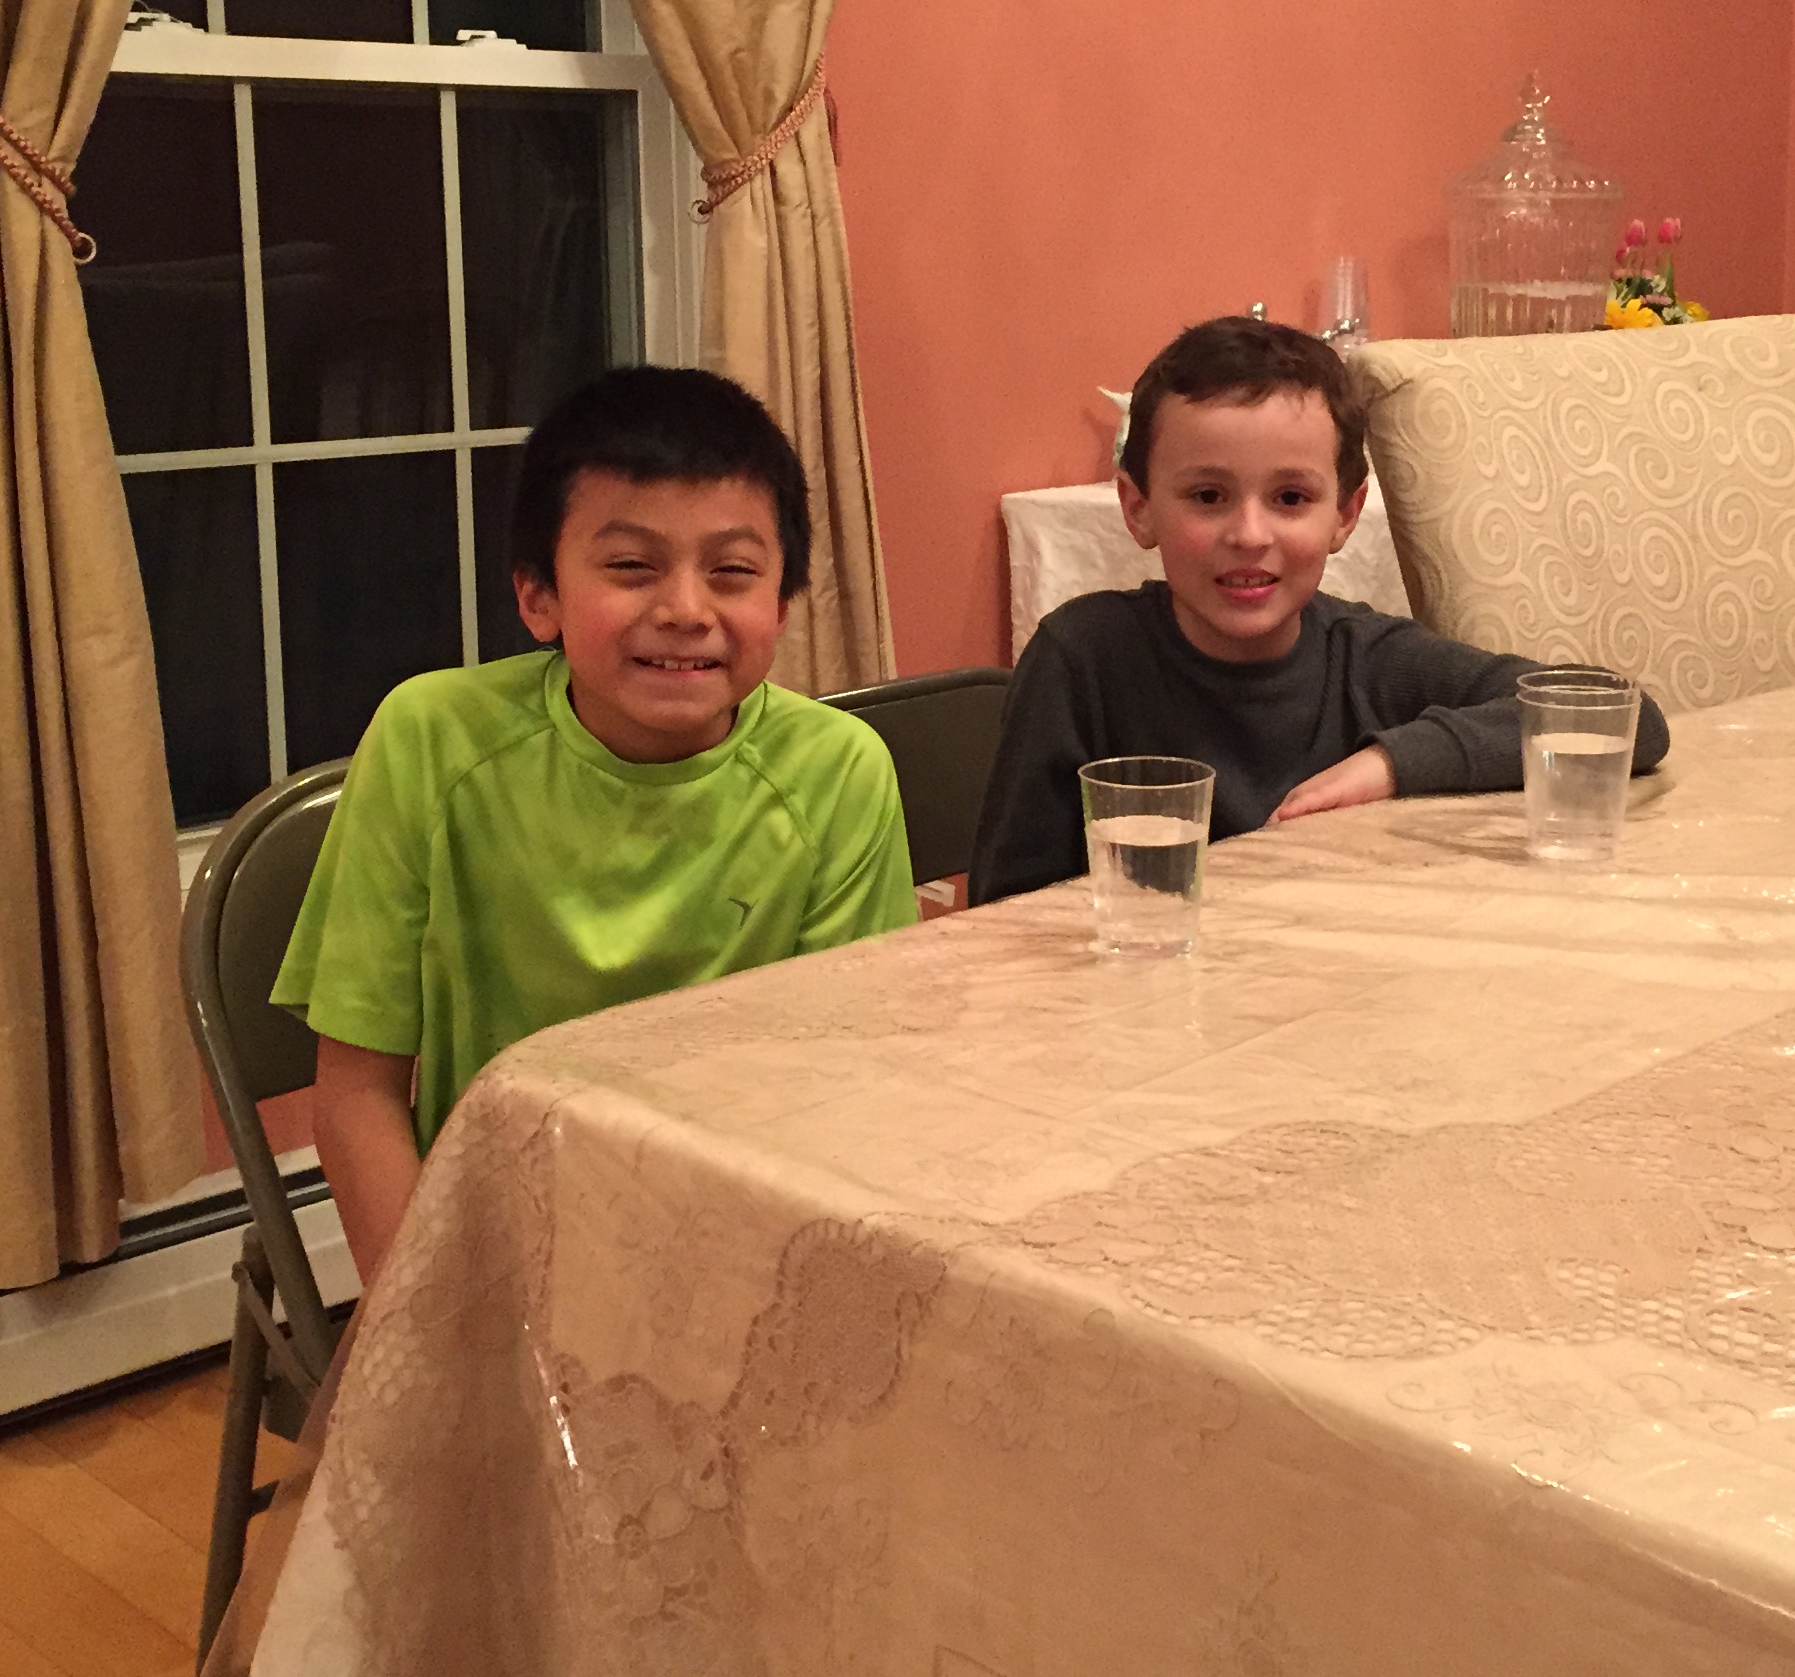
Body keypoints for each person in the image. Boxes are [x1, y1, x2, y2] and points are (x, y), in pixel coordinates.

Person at [280, 366, 917, 1285]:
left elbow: (843, 1087)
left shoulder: (838, 772)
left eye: (733, 573)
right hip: (493, 1245)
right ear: (538, 596)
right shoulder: (431, 741)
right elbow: (358, 1096)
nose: (686, 610)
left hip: (746, 1239)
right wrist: (426, 1318)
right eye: (631, 567)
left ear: (781, 605)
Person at [969, 317, 1670, 904]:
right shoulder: (1081, 661)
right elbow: (1004, 915)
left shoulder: (1371, 659)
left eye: (1290, 499)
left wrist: (1390, 763)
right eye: (1208, 497)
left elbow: (1627, 719)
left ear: (1345, 514)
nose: (1250, 535)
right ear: (1138, 507)